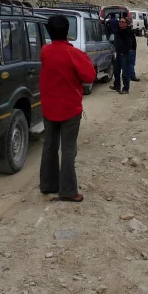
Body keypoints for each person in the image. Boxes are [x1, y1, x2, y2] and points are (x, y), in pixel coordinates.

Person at [39, 14, 96, 203]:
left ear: (49, 31)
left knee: (49, 146)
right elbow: (89, 76)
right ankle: (68, 190)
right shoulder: (74, 54)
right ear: (67, 31)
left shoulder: (45, 51)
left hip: (49, 107)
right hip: (70, 108)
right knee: (68, 149)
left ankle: (48, 184)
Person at [111, 15, 134, 94]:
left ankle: (126, 88)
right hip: (117, 53)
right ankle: (117, 86)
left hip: (124, 54)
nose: (120, 23)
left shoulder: (128, 32)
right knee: (116, 71)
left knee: (125, 72)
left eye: (122, 22)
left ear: (126, 23)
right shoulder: (117, 31)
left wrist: (124, 51)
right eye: (120, 22)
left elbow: (130, 44)